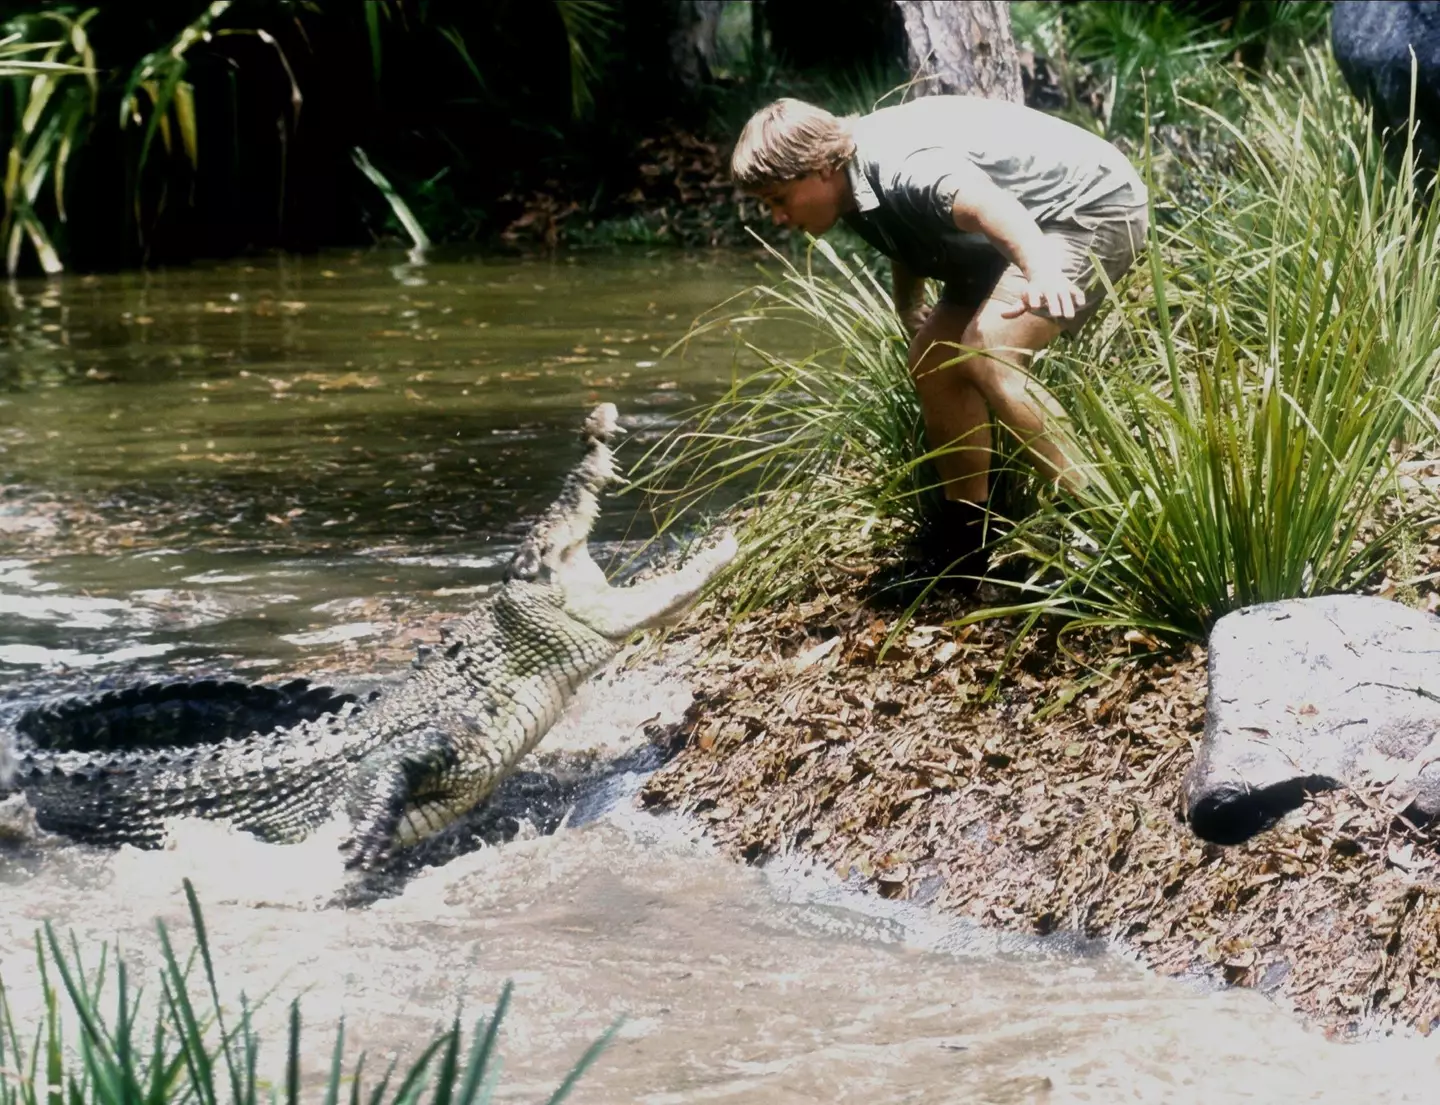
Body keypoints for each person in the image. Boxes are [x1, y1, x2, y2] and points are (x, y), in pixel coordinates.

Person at [730, 94, 1148, 576]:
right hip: (1014, 230)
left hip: (1087, 206)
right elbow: (903, 233)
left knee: (991, 351)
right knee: (933, 358)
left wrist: (1043, 272)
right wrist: (909, 307)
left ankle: (1110, 532)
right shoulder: (849, 179)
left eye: (779, 201)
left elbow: (988, 204)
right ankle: (965, 544)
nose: (779, 219)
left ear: (820, 166)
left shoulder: (903, 166)